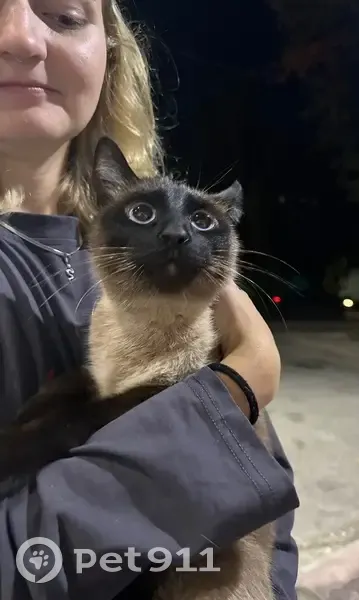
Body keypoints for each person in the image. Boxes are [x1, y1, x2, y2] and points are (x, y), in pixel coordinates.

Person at [0, 1, 299, 598]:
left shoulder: (133, 267)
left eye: (64, 15)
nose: (20, 38)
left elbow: (270, 522)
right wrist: (232, 392)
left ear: (109, 56)